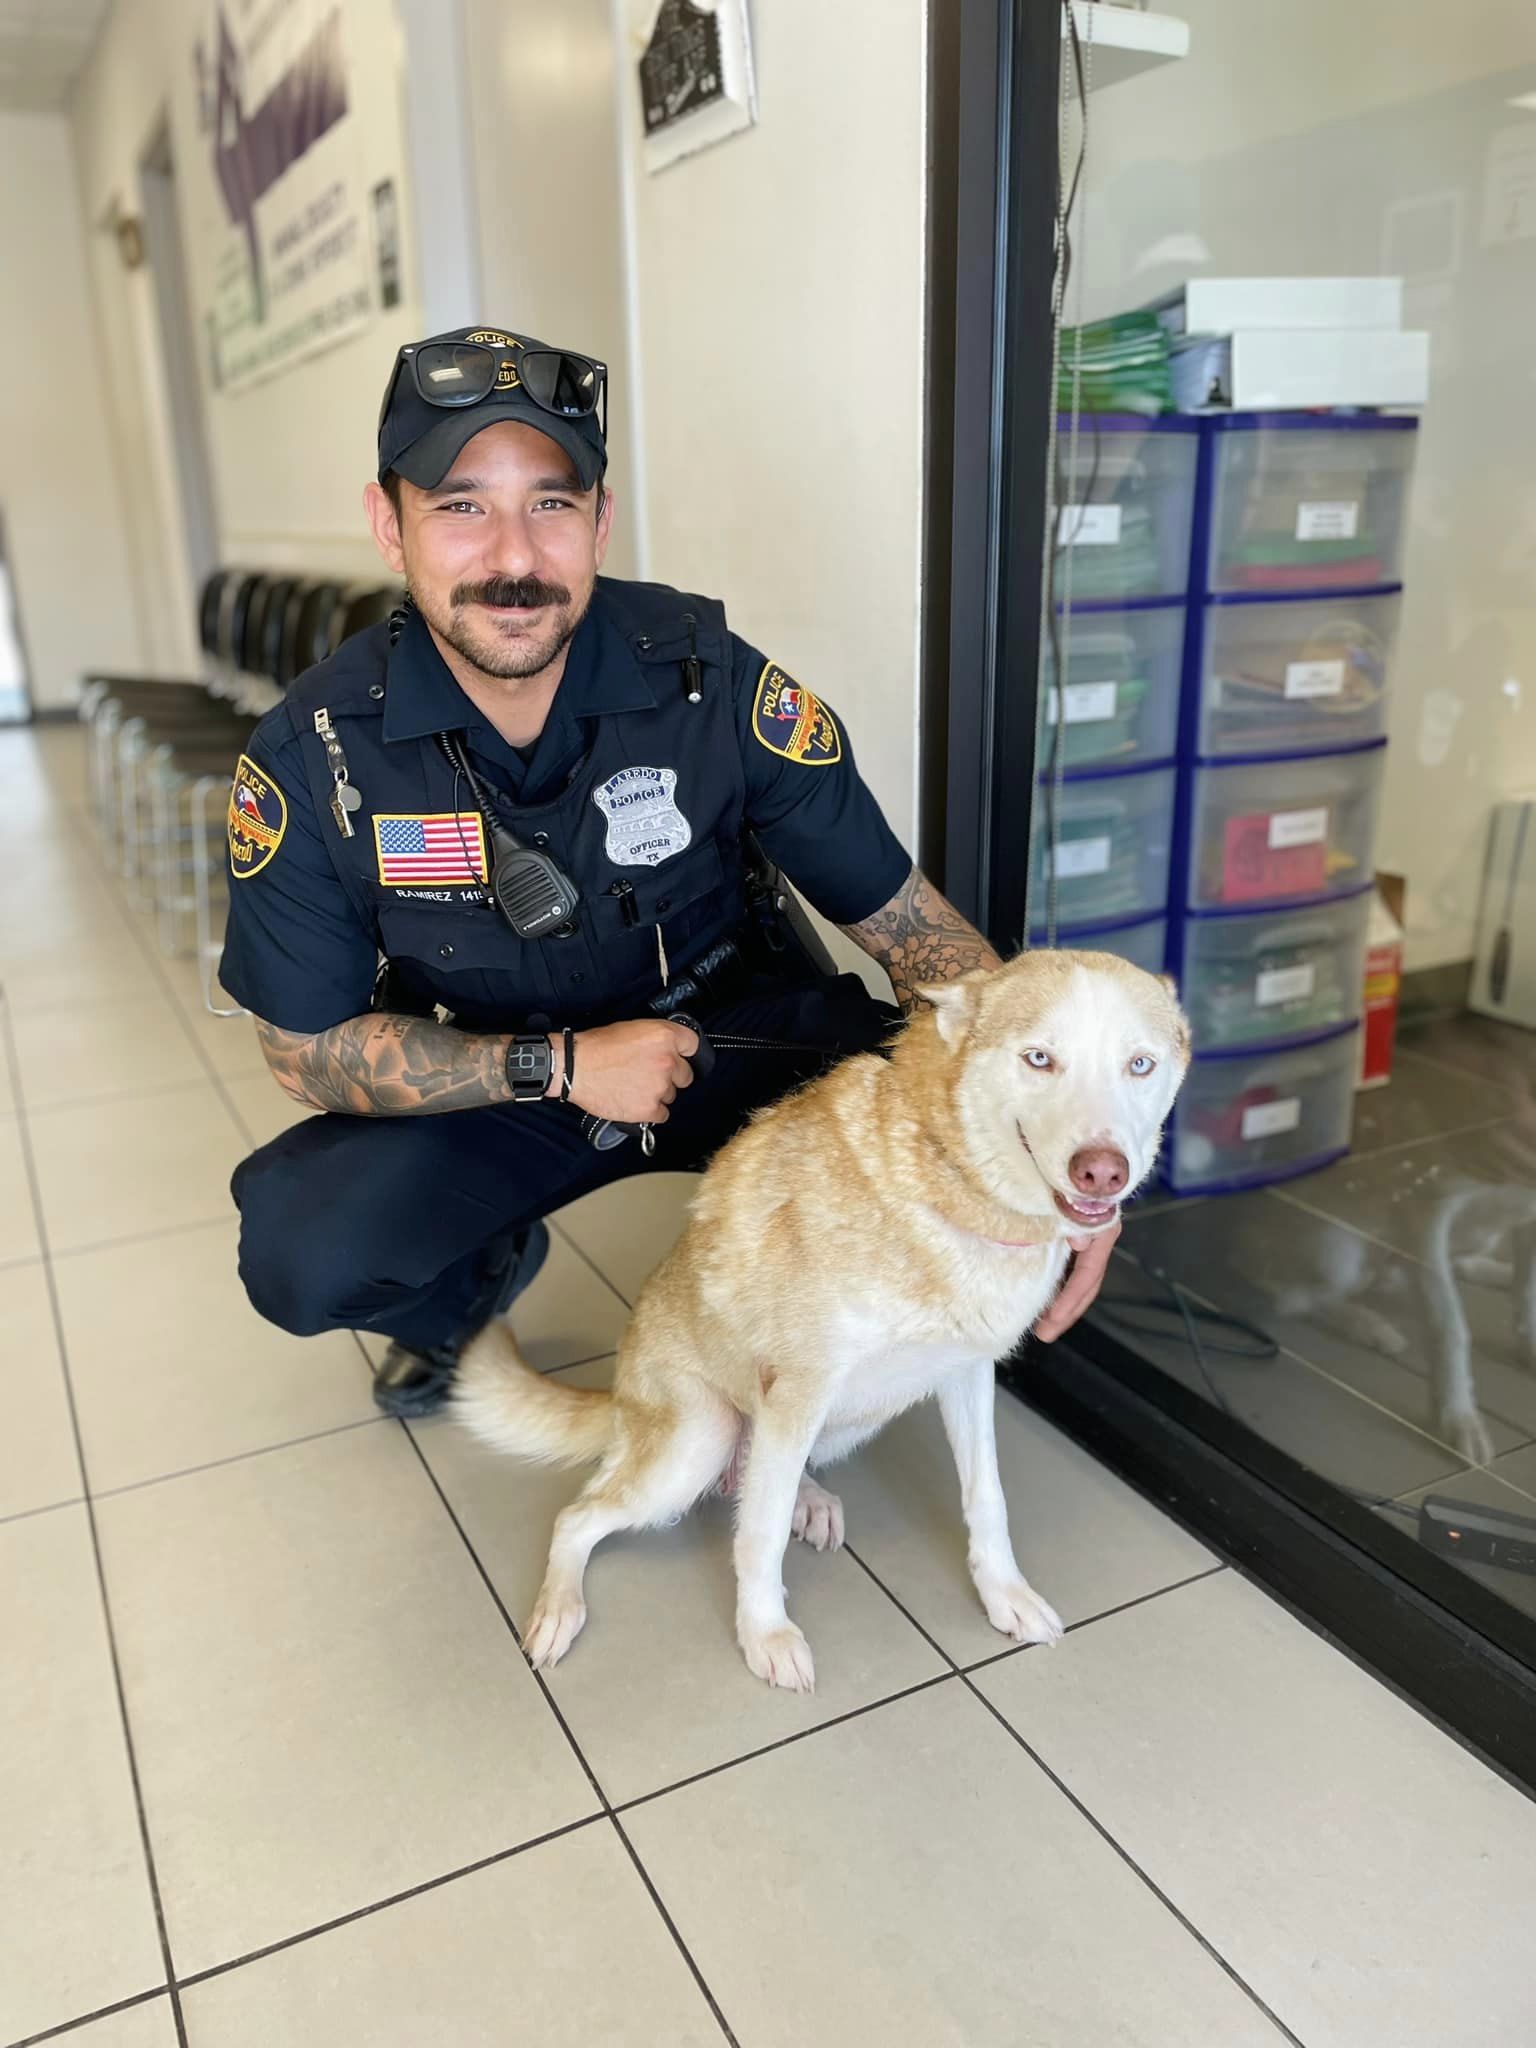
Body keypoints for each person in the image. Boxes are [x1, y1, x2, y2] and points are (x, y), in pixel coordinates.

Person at [222, 324, 1118, 1416]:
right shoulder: (313, 750)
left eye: (550, 503)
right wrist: (558, 1066)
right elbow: (305, 1049)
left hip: (736, 1032)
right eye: (460, 504)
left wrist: (1049, 1128)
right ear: (387, 523)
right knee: (302, 1248)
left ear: (598, 520)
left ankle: (831, 1345)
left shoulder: (709, 681)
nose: (512, 556)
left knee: (927, 1083)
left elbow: (912, 931)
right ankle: (475, 1288)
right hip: (505, 1070)